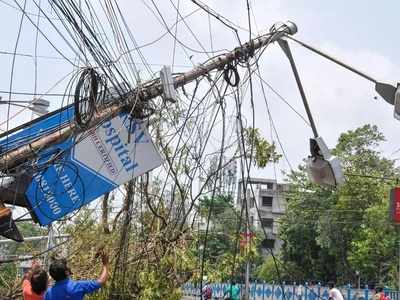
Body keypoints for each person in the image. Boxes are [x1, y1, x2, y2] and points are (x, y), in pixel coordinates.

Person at [44, 251, 109, 300]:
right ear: (66, 272)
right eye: (67, 267)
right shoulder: (78, 286)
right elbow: (101, 281)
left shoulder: (48, 293)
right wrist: (105, 264)